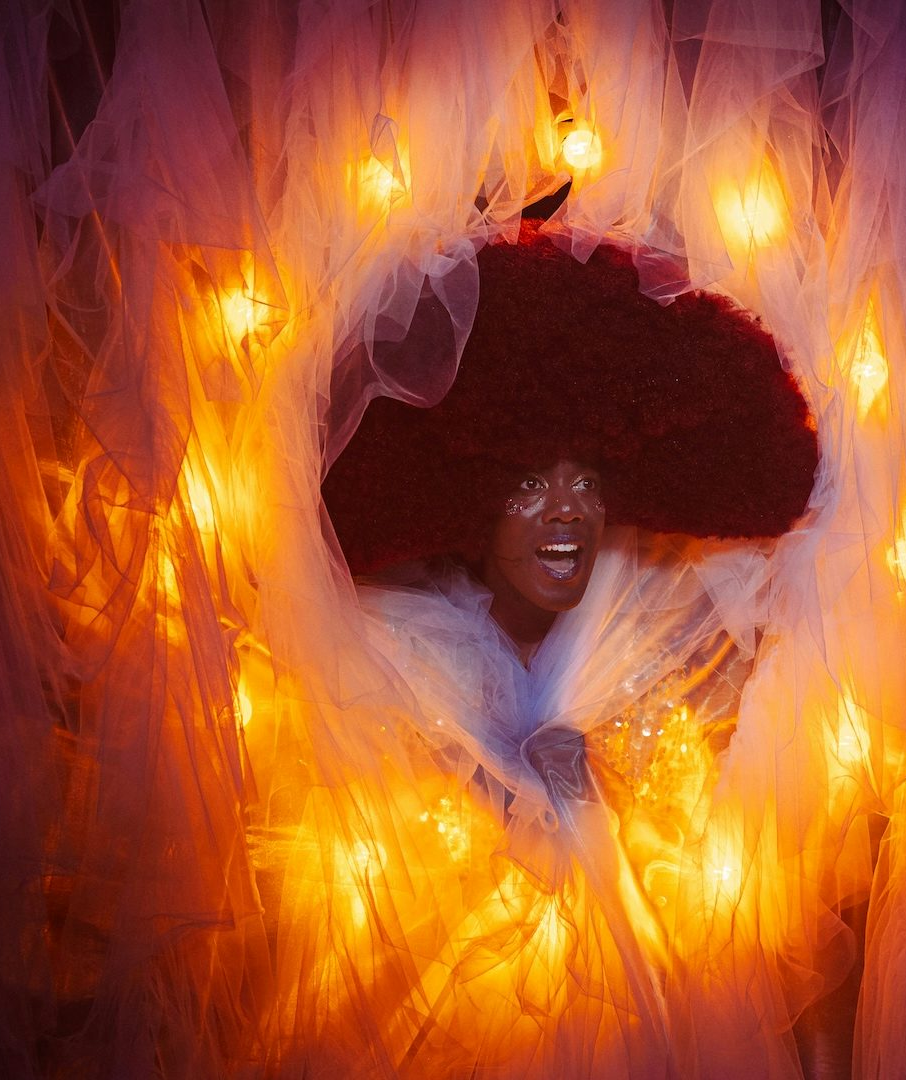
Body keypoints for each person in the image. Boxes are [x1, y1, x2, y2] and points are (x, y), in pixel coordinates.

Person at [317, 221, 827, 1074]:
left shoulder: (656, 642)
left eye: (588, 482)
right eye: (528, 483)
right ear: (472, 505)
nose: (565, 510)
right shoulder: (389, 658)